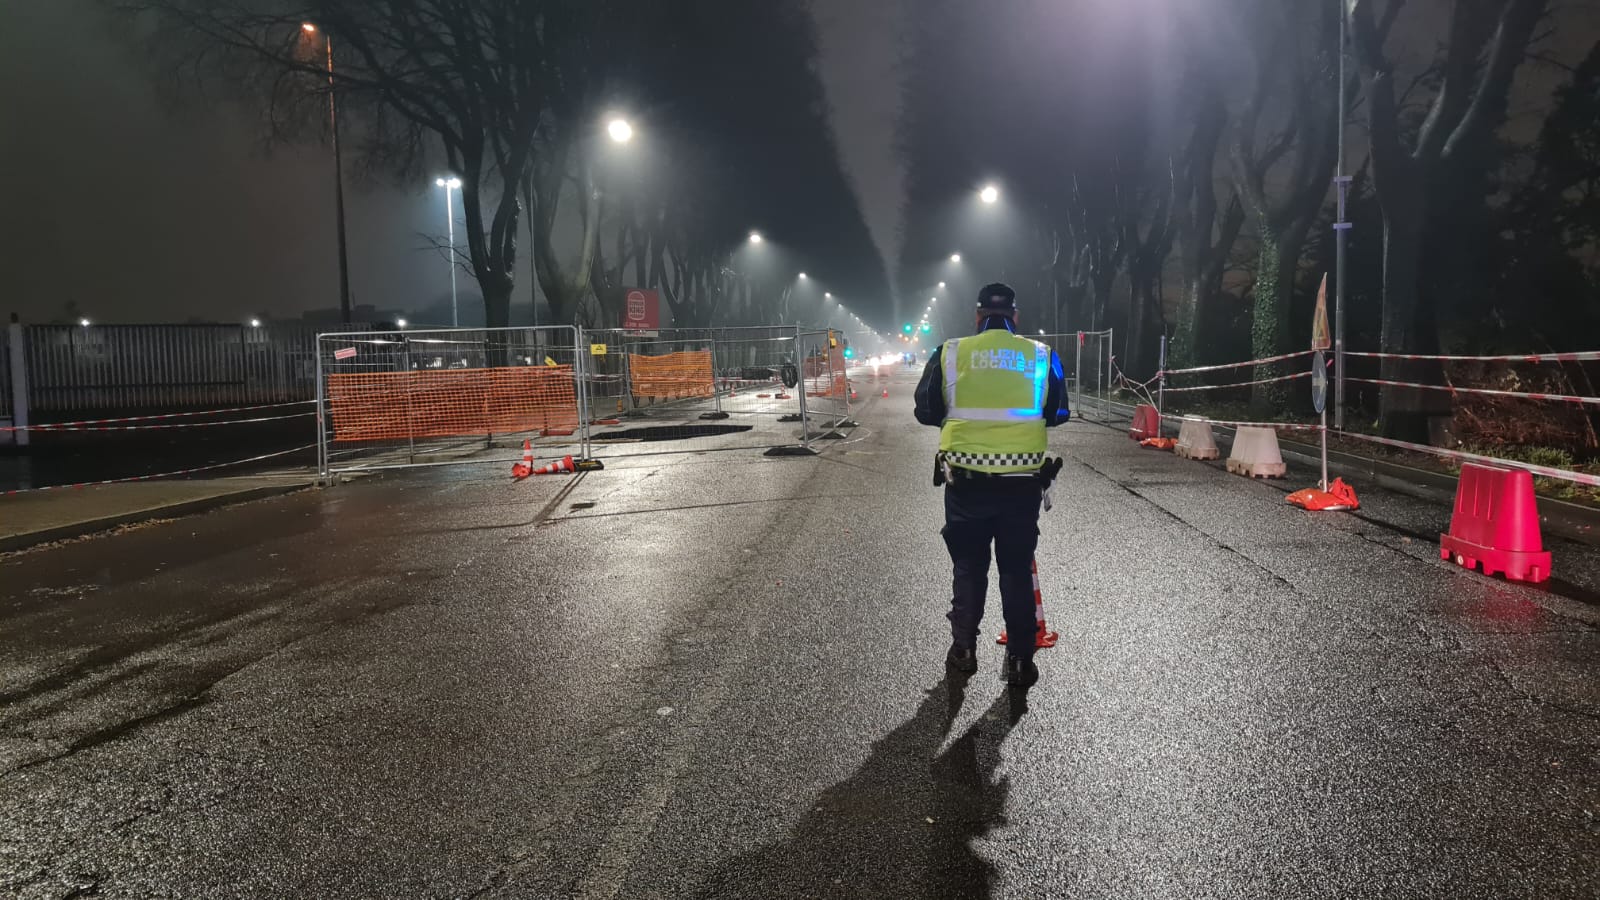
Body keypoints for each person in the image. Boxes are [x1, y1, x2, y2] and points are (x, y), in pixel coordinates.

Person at [913, 283, 1069, 689]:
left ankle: (963, 650)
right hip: (1022, 485)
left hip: (965, 483)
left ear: (977, 316)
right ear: (1015, 318)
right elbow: (1059, 412)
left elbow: (925, 409)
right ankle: (1019, 660)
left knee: (969, 566)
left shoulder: (950, 352)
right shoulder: (1040, 355)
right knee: (1016, 571)